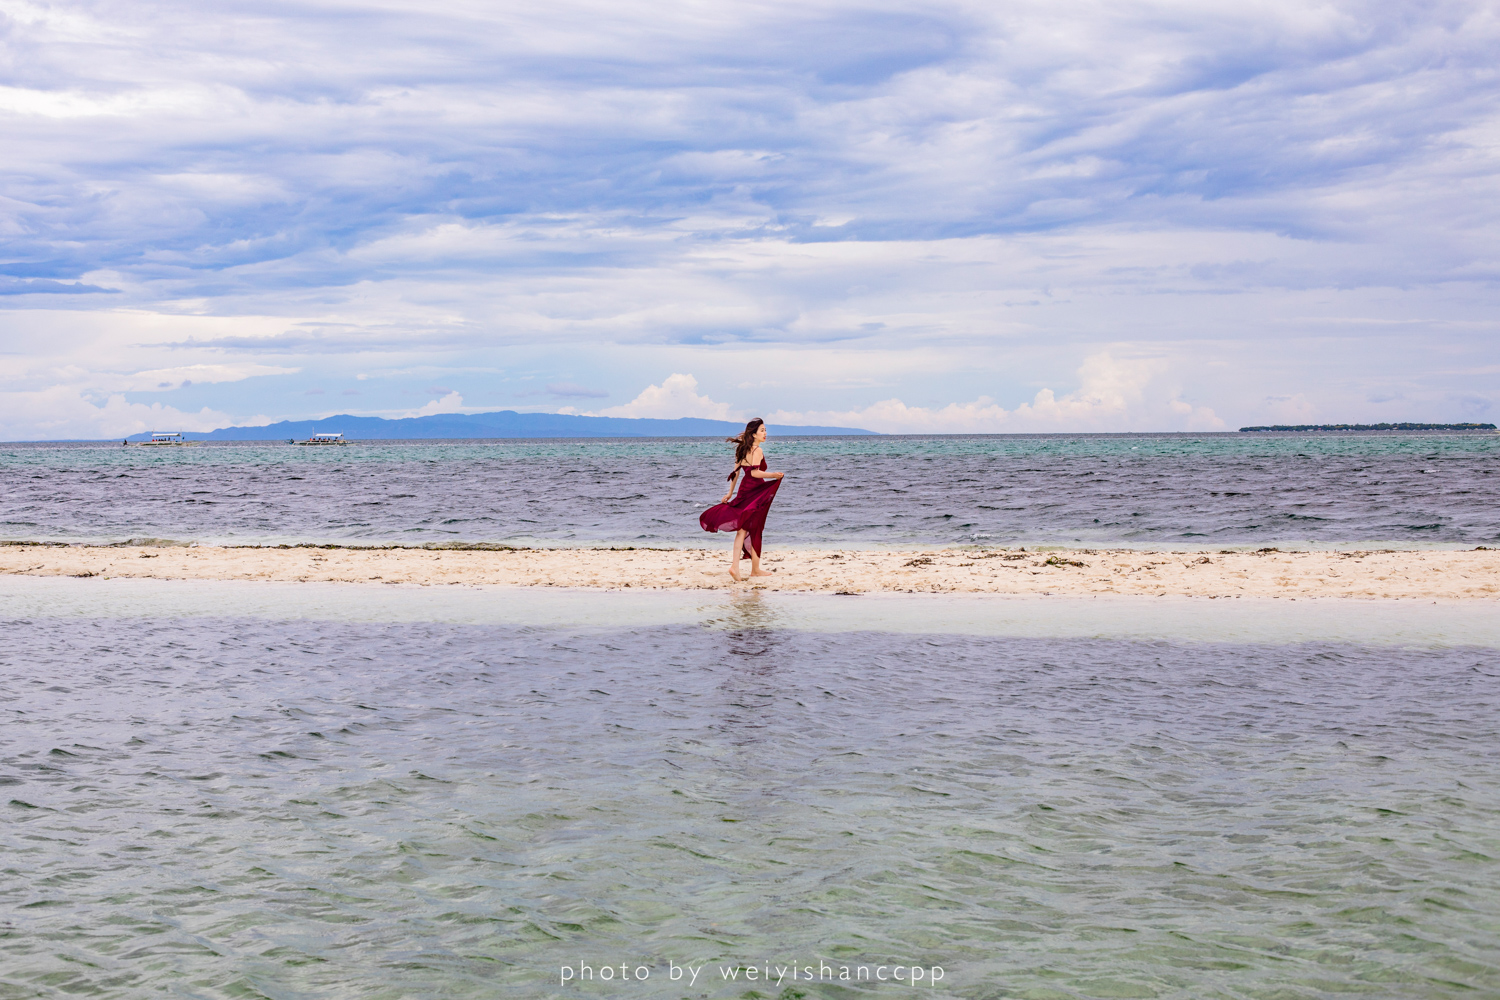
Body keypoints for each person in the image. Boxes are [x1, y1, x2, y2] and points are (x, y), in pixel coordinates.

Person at [699, 418, 785, 582]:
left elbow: (736, 472)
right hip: (755, 491)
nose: (765, 433)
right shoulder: (757, 451)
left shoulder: (741, 449)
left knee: (744, 529)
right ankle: (751, 569)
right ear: (753, 434)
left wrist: (730, 492)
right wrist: (773, 475)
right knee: (753, 527)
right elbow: (754, 473)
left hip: (744, 491)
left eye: (765, 430)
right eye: (762, 430)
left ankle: (743, 567)